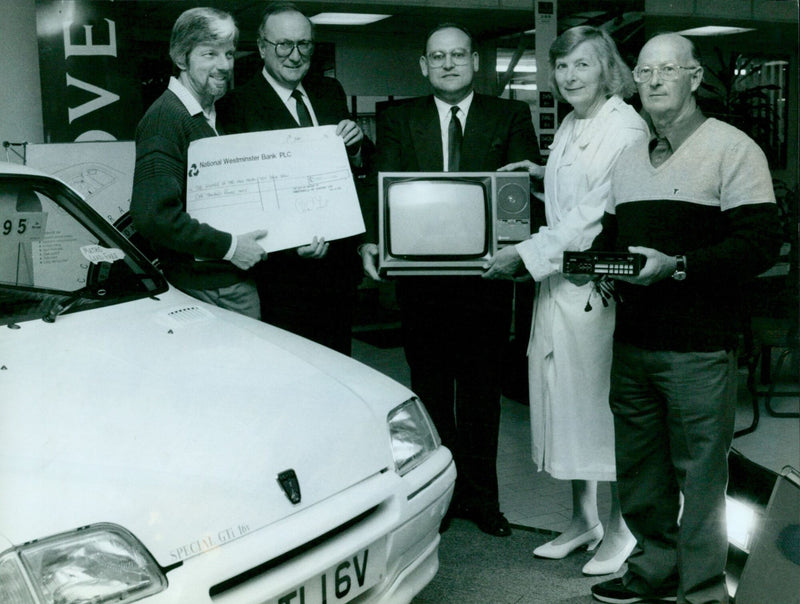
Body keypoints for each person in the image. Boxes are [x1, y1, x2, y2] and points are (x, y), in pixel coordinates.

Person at [586, 33, 780, 604]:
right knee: (641, 472)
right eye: (644, 72)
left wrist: (677, 267)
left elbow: (760, 244)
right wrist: (595, 263)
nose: (653, 81)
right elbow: (614, 234)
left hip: (699, 348)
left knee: (701, 479)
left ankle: (701, 591)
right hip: (634, 344)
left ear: (695, 78)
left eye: (667, 70)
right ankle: (653, 571)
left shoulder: (733, 147)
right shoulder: (627, 157)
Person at [363, 23, 541, 536]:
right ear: (423, 65)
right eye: (437, 56)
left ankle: (482, 500)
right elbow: (383, 189)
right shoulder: (398, 118)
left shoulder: (510, 115)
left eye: (458, 55)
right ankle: (438, 500)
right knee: (432, 395)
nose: (447, 64)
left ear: (475, 61)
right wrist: (374, 240)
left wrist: (514, 249)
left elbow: (520, 195)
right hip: (422, 286)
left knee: (483, 396)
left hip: (487, 281)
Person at [484, 26, 646, 575]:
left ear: (606, 68)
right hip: (561, 284)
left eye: (581, 65)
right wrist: (538, 173)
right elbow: (570, 197)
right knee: (564, 403)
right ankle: (583, 519)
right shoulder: (578, 122)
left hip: (594, 288)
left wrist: (521, 256)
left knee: (601, 409)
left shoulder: (624, 126)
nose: (570, 76)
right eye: (562, 67)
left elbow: (590, 220)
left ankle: (621, 529)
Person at [217, 1, 369, 355]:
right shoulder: (235, 106)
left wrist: (357, 144)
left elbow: (356, 167)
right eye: (284, 44)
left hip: (337, 273)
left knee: (338, 369)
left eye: (304, 44)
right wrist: (291, 241)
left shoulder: (330, 92)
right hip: (281, 280)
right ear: (261, 47)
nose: (295, 55)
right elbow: (240, 198)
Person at [131, 7, 267, 319]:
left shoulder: (214, 114)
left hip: (230, 279)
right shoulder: (165, 119)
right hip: (211, 288)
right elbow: (153, 216)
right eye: (210, 54)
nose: (224, 66)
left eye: (229, 54)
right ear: (181, 59)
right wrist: (230, 247)